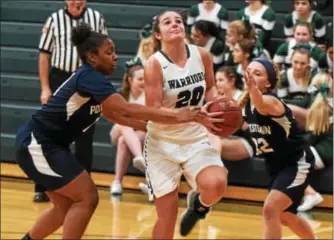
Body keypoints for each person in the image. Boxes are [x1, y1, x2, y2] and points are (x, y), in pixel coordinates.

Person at [16, 23, 217, 240]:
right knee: (87, 197)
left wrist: (156, 131)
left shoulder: (94, 80)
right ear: (92, 57)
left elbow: (114, 115)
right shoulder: (89, 76)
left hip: (48, 145)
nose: (115, 57)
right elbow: (125, 108)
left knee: (64, 205)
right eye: (109, 52)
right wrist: (178, 115)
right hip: (38, 144)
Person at [144, 10, 228, 239]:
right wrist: (188, 114)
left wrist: (217, 101)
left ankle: (198, 204)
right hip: (162, 144)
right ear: (158, 34)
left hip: (195, 137)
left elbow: (210, 87)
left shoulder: (201, 55)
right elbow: (153, 112)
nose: (174, 24)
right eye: (167, 22)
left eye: (178, 21)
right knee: (167, 216)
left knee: (217, 184)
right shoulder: (154, 64)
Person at [35, 0, 108, 202]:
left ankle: (84, 189)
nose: (77, 1)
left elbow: (105, 52)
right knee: (50, 134)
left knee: (85, 136)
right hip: (60, 78)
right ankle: (43, 187)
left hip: (87, 78)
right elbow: (44, 56)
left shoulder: (97, 18)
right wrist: (45, 88)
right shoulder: (54, 19)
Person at [238, 58, 315, 239]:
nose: (251, 76)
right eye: (249, 71)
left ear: (269, 83)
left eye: (258, 74)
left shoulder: (272, 102)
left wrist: (252, 89)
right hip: (275, 166)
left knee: (270, 208)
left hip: (296, 163)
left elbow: (261, 104)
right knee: (285, 215)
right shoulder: (246, 106)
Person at [293, 72, 332, 211]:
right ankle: (308, 193)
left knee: (285, 160)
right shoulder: (324, 103)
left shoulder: (324, 108)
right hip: (325, 149)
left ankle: (311, 194)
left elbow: (314, 136)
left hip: (326, 151)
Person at [110, 64, 146, 195]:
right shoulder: (121, 94)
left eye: (146, 79)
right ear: (130, 80)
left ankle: (117, 182)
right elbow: (116, 118)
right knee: (123, 126)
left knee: (123, 141)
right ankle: (139, 156)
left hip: (141, 132)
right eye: (140, 79)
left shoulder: (150, 96)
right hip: (120, 128)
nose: (144, 82)